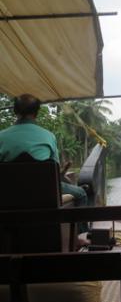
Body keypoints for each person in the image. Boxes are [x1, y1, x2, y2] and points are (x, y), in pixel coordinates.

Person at [0, 94, 88, 231]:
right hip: (45, 194)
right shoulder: (48, 136)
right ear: (36, 112)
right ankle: (81, 238)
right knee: (81, 193)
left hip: (9, 197)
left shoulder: (1, 136)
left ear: (15, 111)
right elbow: (54, 172)